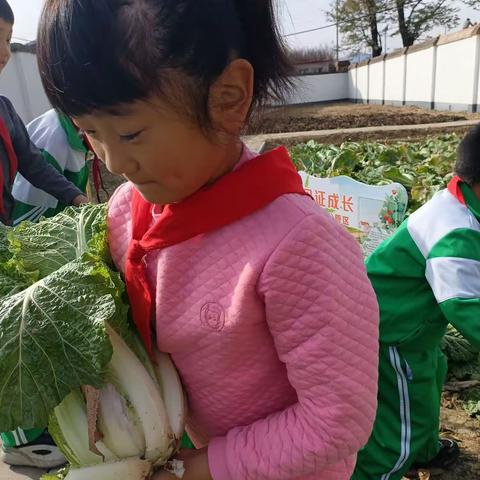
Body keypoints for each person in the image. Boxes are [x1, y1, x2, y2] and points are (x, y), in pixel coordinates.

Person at [36, 1, 380, 479]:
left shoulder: (300, 245)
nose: (114, 162)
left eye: (131, 133)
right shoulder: (125, 215)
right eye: (89, 131)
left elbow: (337, 422)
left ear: (228, 98)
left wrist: (200, 469)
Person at [351, 125, 480, 480]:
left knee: (426, 384)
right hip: (390, 334)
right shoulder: (455, 231)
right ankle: (380, 470)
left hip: (414, 330)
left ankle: (425, 450)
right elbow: (463, 304)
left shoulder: (458, 202)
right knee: (395, 430)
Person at [12, 109, 91, 225]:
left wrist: (80, 201)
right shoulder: (54, 141)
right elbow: (26, 217)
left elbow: (37, 169)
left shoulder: (73, 128)